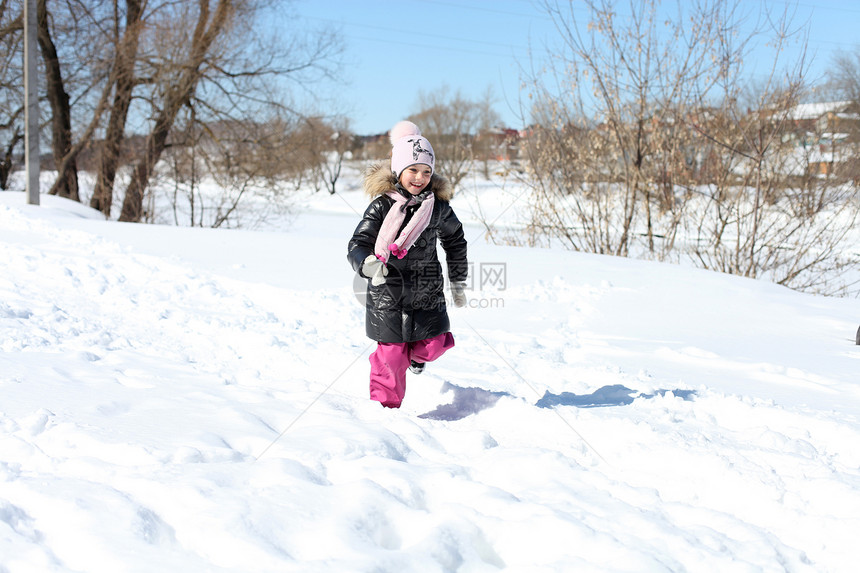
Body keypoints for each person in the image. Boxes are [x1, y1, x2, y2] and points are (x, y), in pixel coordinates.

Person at [347, 121, 468, 408]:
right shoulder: (382, 206)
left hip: (427, 291)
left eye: (426, 171)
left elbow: (455, 240)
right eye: (413, 169)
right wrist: (368, 263)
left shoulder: (437, 207)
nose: (420, 177)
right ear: (399, 170)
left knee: (435, 345)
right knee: (390, 357)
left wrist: (458, 280)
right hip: (388, 292)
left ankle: (416, 358)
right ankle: (384, 410)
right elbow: (358, 242)